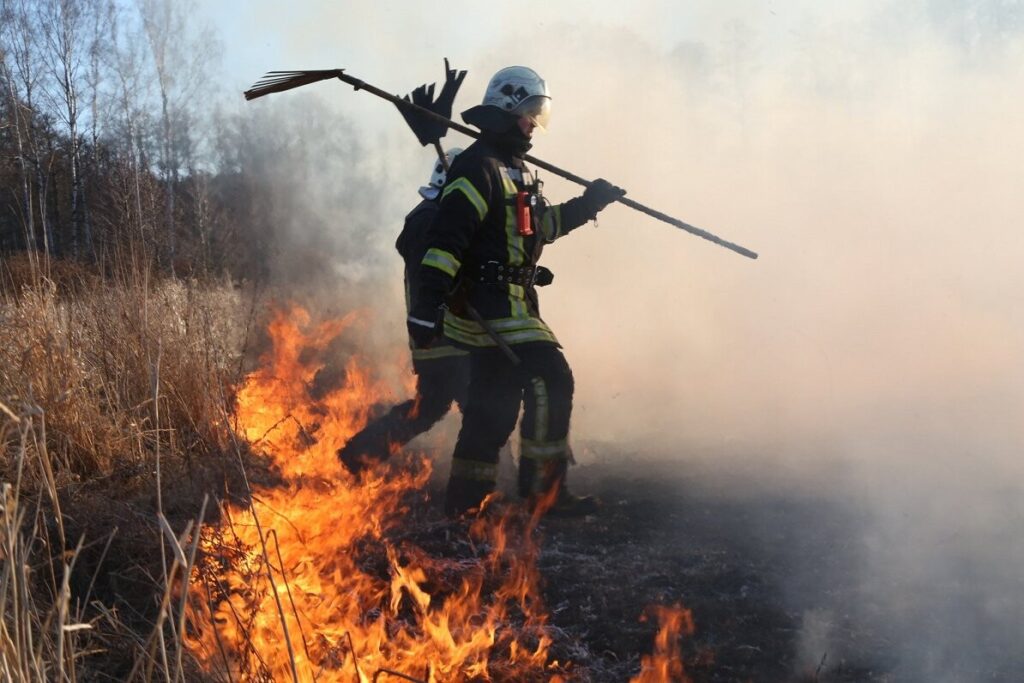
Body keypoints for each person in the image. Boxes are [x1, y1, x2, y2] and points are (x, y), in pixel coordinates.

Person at [407, 66, 625, 516]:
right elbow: (446, 242)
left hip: (514, 305)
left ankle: (464, 503)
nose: (533, 124)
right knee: (552, 378)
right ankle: (545, 495)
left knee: (494, 407)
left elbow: (540, 228)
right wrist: (426, 308)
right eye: (529, 113)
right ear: (507, 109)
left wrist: (589, 203)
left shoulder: (514, 169)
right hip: (492, 307)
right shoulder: (476, 166)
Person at [337, 149, 470, 474]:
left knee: (431, 408)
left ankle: (359, 455)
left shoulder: (431, 217)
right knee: (481, 410)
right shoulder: (431, 221)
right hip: (447, 336)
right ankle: (492, 486)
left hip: (444, 336)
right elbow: (437, 275)